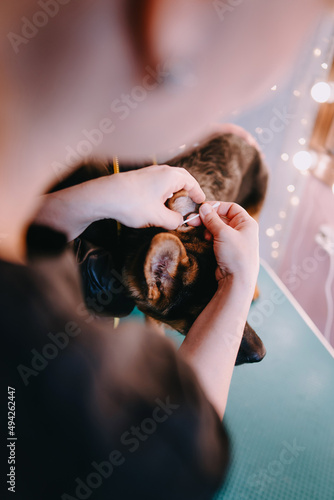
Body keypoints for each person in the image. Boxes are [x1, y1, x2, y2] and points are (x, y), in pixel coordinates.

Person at [0, 1, 329, 499]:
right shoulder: (76, 413)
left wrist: (89, 200)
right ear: (177, 22)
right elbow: (176, 445)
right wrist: (237, 287)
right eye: (278, 63)